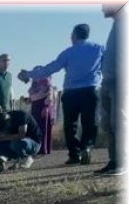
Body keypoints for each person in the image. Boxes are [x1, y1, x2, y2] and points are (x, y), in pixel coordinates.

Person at [18, 23, 106, 166]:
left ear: (75, 35)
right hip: (90, 90)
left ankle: (74, 154)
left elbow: (50, 69)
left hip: (71, 92)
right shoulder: (99, 48)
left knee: (70, 125)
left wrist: (27, 74)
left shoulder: (68, 52)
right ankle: (87, 147)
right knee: (89, 122)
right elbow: (108, 65)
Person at [97, 3, 124, 175]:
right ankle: (114, 161)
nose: (102, 8)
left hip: (121, 80)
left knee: (119, 121)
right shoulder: (116, 25)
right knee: (108, 123)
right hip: (108, 81)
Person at [27, 76, 57, 154]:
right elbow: (32, 98)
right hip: (35, 107)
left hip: (43, 107)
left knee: (43, 128)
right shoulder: (33, 87)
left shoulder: (47, 85)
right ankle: (37, 148)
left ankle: (43, 149)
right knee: (35, 128)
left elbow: (50, 97)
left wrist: (46, 107)